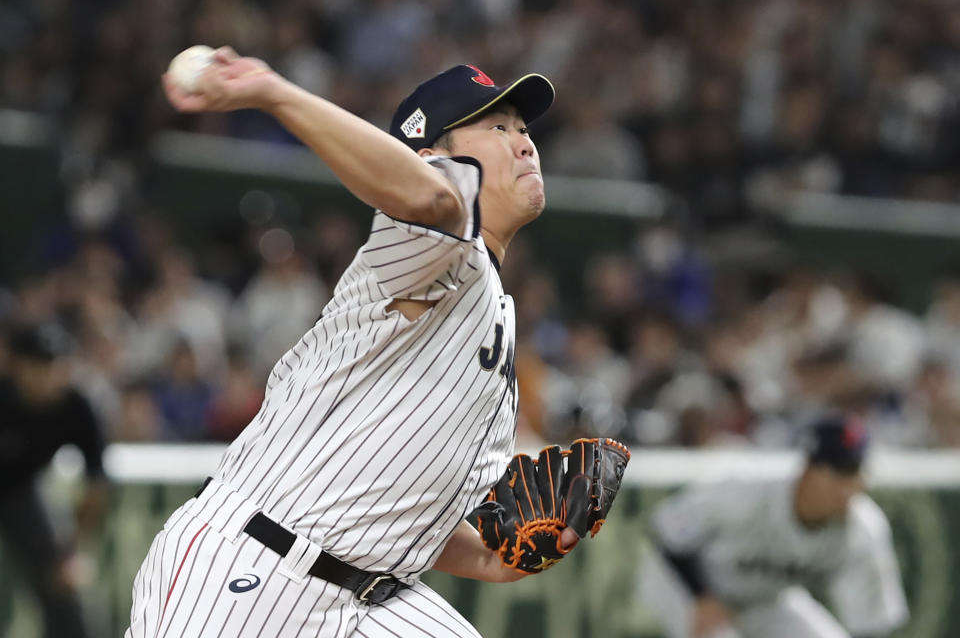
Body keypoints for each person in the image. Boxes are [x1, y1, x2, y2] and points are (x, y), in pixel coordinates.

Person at [126, 48, 574, 637]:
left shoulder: (490, 309)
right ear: (431, 156)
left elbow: (390, 508)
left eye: (522, 128)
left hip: (371, 595)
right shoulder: (439, 243)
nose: (523, 142)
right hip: (253, 570)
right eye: (496, 126)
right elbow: (430, 199)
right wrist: (274, 94)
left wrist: (495, 557)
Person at [638, 413, 908, 638]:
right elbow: (666, 530)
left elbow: (874, 623)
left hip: (764, 598)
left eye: (855, 474)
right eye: (838, 473)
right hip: (684, 585)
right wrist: (702, 597)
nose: (847, 487)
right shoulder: (745, 488)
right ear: (808, 470)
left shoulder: (864, 528)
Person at [0, 323, 109, 638]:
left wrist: (72, 552)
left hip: (21, 492)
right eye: (38, 365)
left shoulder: (76, 407)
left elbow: (97, 484)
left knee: (64, 590)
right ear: (17, 365)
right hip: (22, 492)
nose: (47, 375)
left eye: (54, 365)